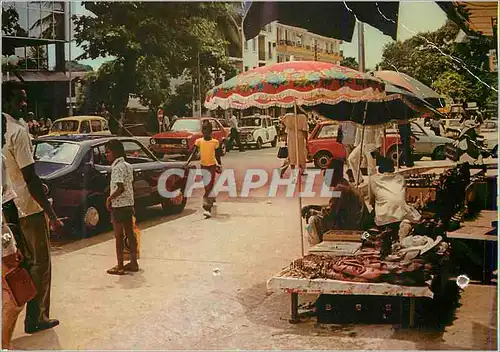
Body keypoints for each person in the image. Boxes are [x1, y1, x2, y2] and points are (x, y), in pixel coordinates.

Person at [2, 83, 62, 334]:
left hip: (9, 206)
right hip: (28, 206)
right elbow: (30, 177)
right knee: (41, 264)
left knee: (21, 263)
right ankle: (36, 317)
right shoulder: (17, 131)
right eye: (19, 100)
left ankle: (17, 316)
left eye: (25, 100)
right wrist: (51, 213)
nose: (24, 104)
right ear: (5, 101)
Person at [302, 158, 372, 246]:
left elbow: (330, 214)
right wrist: (313, 206)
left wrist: (312, 211)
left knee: (314, 220)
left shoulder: (340, 189)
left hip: (354, 227)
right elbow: (333, 207)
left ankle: (315, 247)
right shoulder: (344, 184)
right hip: (357, 223)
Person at [104, 139, 138, 275]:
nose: (106, 155)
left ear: (115, 152)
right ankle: (134, 262)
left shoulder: (117, 168)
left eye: (108, 152)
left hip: (119, 205)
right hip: (129, 204)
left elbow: (120, 187)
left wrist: (109, 198)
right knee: (130, 234)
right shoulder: (128, 166)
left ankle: (120, 266)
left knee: (118, 236)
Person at [186, 121, 222, 218]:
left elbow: (218, 156)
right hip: (203, 166)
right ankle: (212, 198)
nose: (204, 133)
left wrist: (220, 165)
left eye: (206, 131)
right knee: (207, 185)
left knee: (208, 186)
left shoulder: (215, 142)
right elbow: (193, 153)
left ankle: (207, 207)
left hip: (212, 166)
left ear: (210, 132)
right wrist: (187, 162)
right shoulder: (199, 141)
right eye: (203, 131)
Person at [280, 111, 308, 176]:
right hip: (299, 137)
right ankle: (302, 170)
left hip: (290, 137)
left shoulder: (288, 116)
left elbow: (282, 123)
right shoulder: (302, 117)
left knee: (291, 155)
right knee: (301, 155)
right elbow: (305, 131)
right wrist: (306, 140)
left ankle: (293, 171)